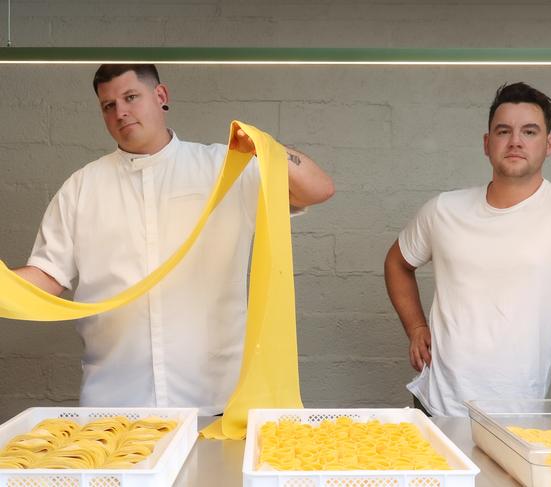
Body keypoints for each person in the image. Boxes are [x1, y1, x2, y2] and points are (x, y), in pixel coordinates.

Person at [10, 64, 335, 415]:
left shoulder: (224, 169)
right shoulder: (81, 188)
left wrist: (267, 148)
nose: (120, 112)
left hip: (215, 399)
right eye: (108, 105)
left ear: (160, 97)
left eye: (130, 97)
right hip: (115, 404)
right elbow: (45, 277)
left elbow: (318, 189)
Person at [384, 82, 551, 417]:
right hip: (437, 406)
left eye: (529, 131)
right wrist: (416, 327)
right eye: (503, 131)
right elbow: (397, 262)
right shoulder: (443, 210)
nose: (515, 141)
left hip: (517, 415)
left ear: (549, 144)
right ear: (487, 143)